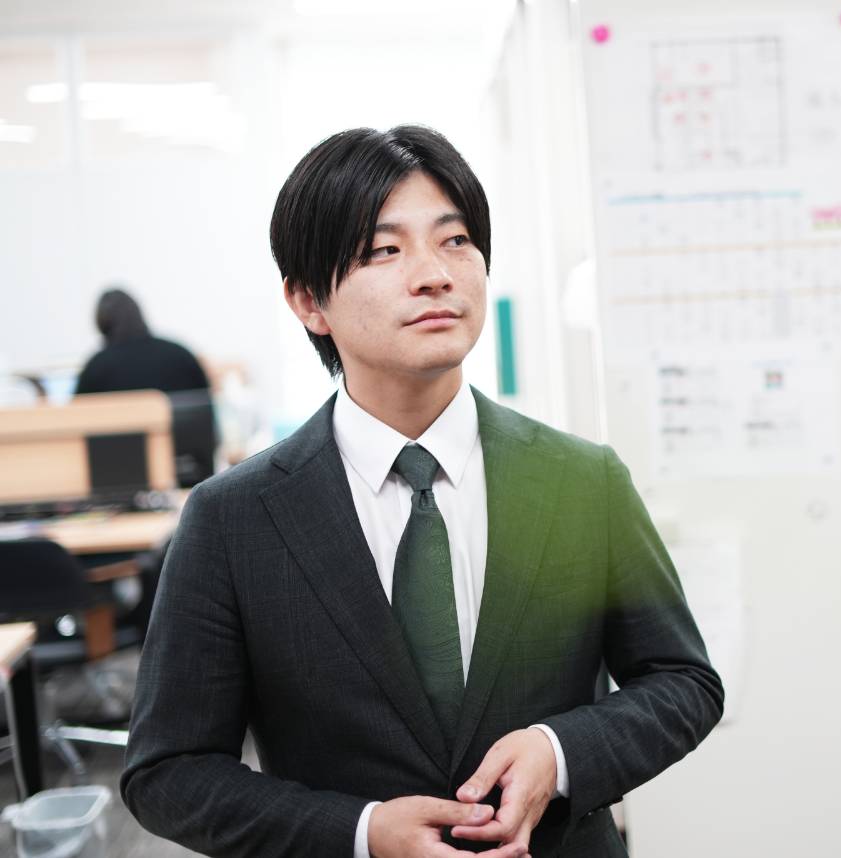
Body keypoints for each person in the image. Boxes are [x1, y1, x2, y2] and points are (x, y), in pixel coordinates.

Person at [121, 125, 723, 858]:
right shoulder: (233, 519)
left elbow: (683, 682)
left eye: (456, 240)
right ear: (308, 300)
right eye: (384, 250)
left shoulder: (582, 479)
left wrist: (559, 751)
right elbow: (169, 771)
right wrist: (362, 832)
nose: (434, 274)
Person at [75, 287, 211, 396]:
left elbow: (76, 416)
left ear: (102, 323)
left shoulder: (96, 368)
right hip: (182, 425)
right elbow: (207, 405)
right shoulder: (181, 355)